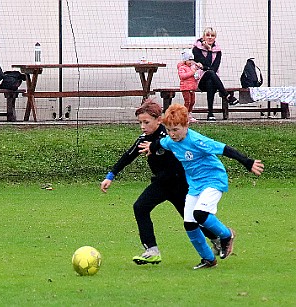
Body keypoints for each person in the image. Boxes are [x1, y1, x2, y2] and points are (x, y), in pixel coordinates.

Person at [139, 104, 264, 269]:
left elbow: (224, 149)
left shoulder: (198, 141)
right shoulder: (170, 140)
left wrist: (248, 162)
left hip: (213, 180)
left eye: (176, 129)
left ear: (186, 125)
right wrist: (151, 147)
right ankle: (208, 259)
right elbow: (160, 143)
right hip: (195, 185)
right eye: (169, 129)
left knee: (200, 214)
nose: (172, 134)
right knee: (189, 223)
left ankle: (227, 235)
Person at [100, 98, 220, 265]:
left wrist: (156, 147)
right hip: (161, 184)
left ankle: (217, 238)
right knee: (140, 207)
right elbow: (129, 155)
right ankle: (152, 250)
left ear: (159, 120)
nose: (142, 127)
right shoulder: (144, 138)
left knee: (193, 220)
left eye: (146, 122)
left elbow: (179, 151)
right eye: (140, 123)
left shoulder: (170, 135)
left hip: (180, 185)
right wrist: (110, 175)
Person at [192, 27, 238, 121]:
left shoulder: (218, 51)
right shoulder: (196, 49)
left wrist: (206, 65)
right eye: (207, 35)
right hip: (199, 81)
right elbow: (207, 64)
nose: (210, 37)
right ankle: (227, 95)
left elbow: (213, 67)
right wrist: (209, 50)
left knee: (210, 80)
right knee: (210, 74)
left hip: (213, 80)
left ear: (215, 37)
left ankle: (210, 114)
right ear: (203, 37)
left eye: (212, 35)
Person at [177, 48, 202, 123]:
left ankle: (189, 115)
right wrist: (192, 72)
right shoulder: (182, 68)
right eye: (189, 60)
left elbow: (195, 76)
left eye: (192, 60)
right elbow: (182, 76)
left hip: (192, 87)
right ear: (185, 60)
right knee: (187, 101)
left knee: (192, 102)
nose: (191, 62)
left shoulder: (192, 68)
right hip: (185, 87)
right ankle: (184, 116)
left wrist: (197, 76)